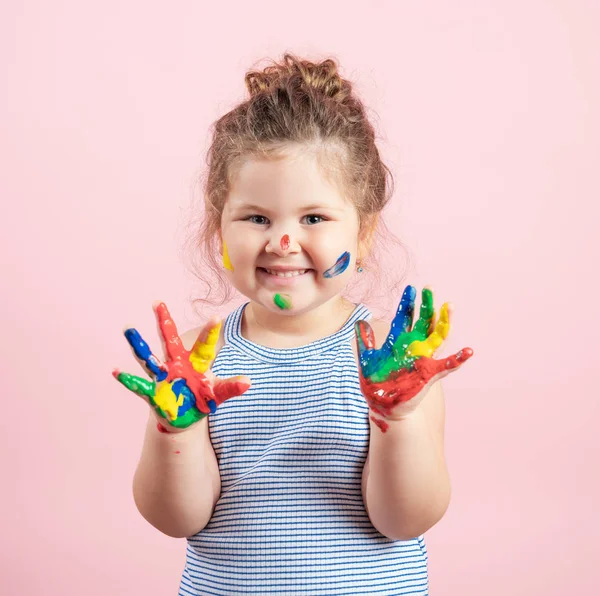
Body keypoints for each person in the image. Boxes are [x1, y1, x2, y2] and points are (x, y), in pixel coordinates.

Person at [113, 53, 473, 596]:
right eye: (257, 217)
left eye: (314, 218)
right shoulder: (195, 364)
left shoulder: (395, 364)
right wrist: (175, 430)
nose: (283, 242)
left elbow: (406, 520)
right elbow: (176, 519)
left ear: (365, 232)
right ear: (219, 230)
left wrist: (397, 419)